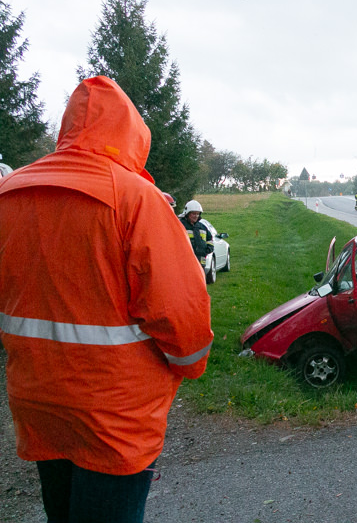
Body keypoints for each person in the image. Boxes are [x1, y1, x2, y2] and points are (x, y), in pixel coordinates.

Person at [0, 75, 213, 523]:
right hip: (116, 417)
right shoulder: (136, 199)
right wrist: (189, 366)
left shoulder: (10, 193)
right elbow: (181, 313)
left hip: (39, 403)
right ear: (131, 133)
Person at [179, 199, 214, 270]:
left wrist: (208, 249)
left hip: (201, 260)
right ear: (187, 214)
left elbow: (210, 239)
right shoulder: (180, 226)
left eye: (198, 214)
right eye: (194, 213)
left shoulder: (202, 227)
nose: (196, 216)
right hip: (185, 260)